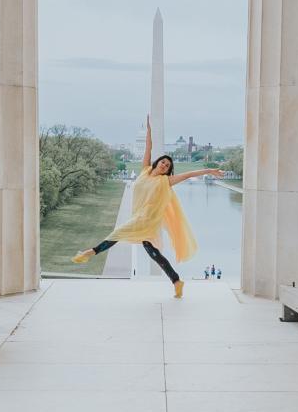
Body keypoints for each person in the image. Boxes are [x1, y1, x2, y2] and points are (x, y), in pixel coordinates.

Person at [73, 113, 223, 298]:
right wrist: (149, 131)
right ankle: (176, 281)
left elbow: (189, 174)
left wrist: (209, 170)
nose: (164, 165)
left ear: (168, 170)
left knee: (118, 233)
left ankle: (91, 252)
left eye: (167, 166)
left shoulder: (165, 181)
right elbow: (148, 147)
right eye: (163, 162)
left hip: (147, 218)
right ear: (157, 162)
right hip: (141, 216)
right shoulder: (144, 171)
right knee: (152, 251)